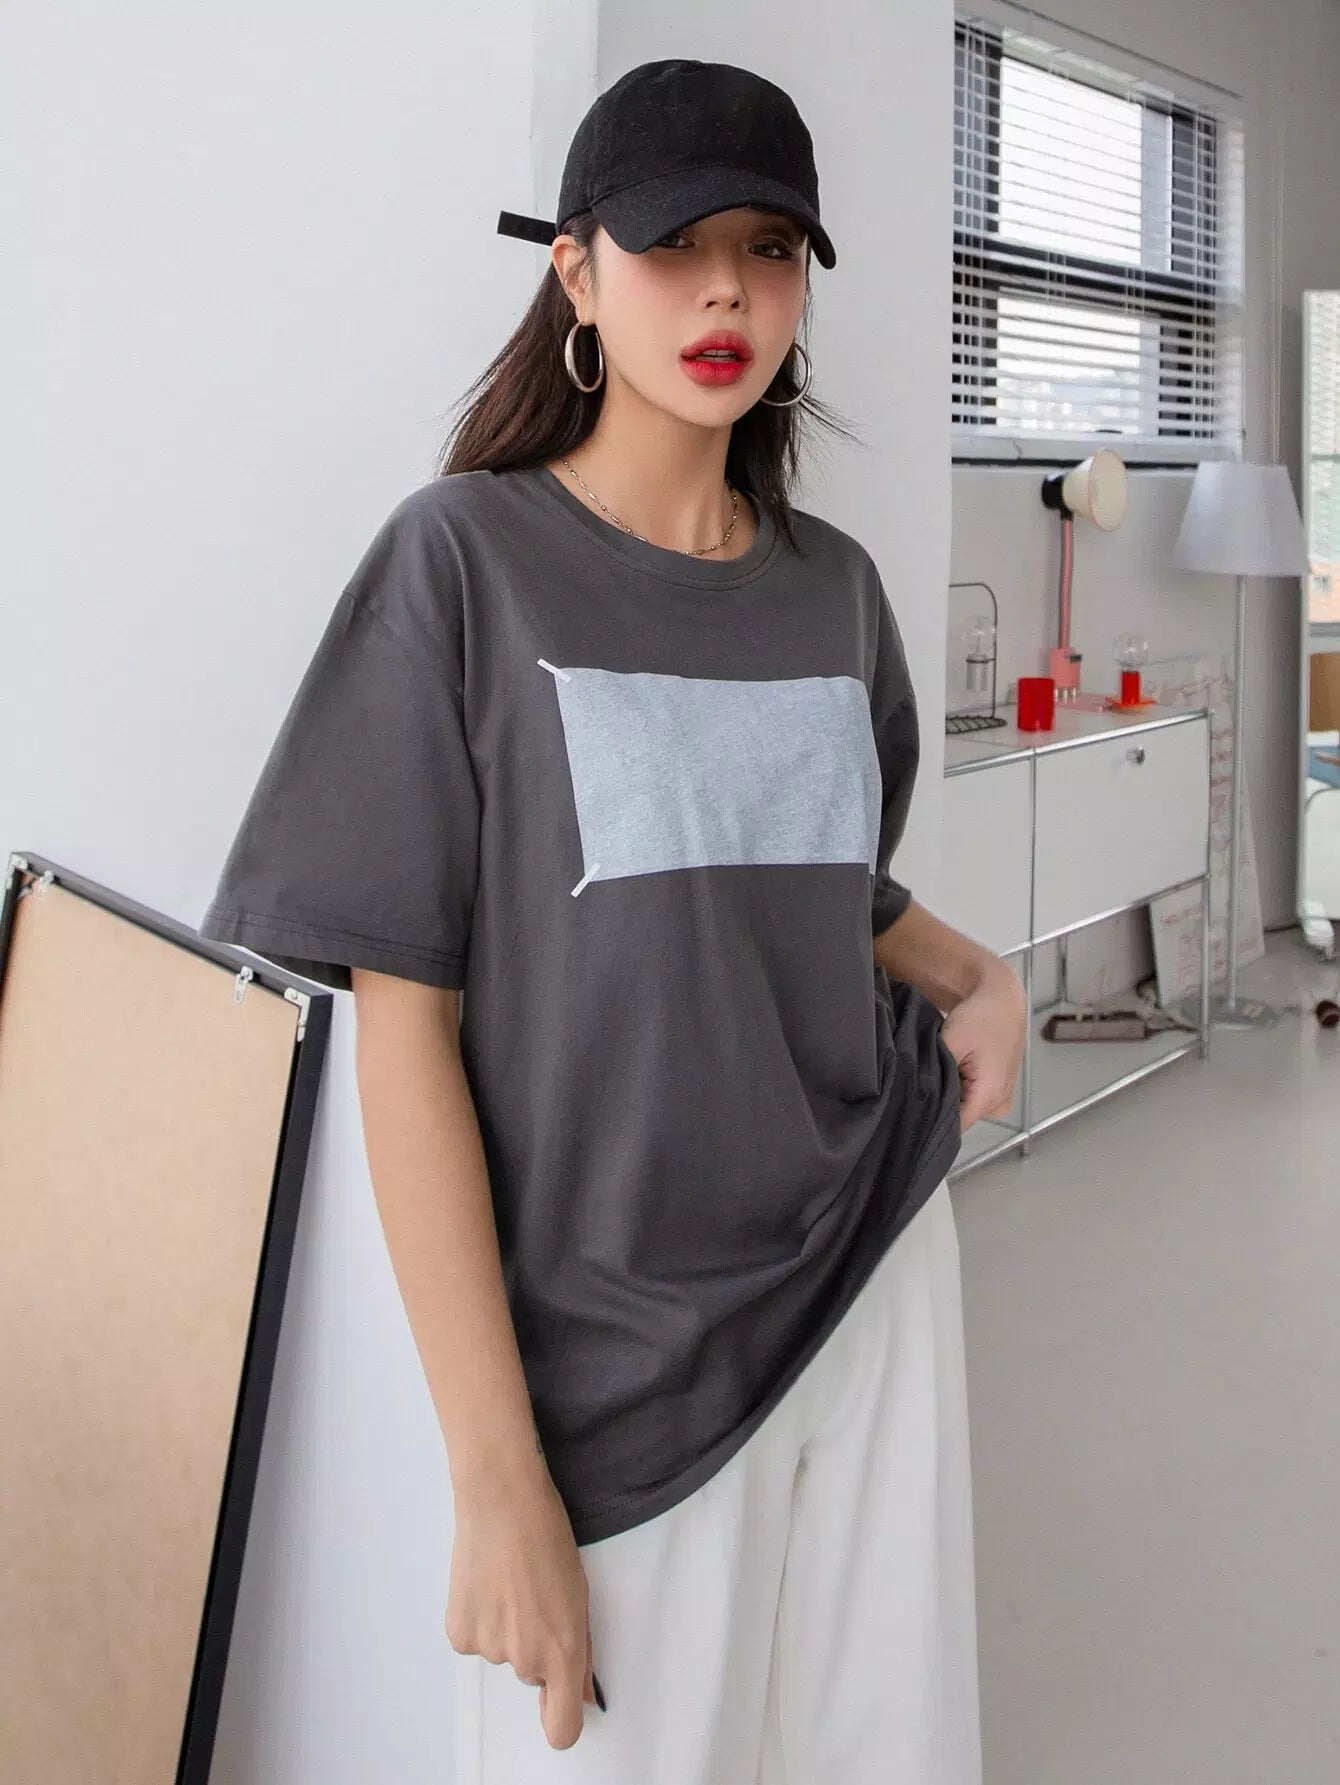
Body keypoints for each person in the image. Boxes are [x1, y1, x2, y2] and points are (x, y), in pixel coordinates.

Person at [199, 56, 1025, 1784]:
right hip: (623, 1367)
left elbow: (803, 888)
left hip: (873, 1269)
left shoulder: (835, 592)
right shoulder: (460, 567)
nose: (727, 293)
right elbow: (404, 1029)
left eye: (769, 250)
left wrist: (974, 971)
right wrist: (495, 1472)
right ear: (575, 272)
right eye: (673, 246)